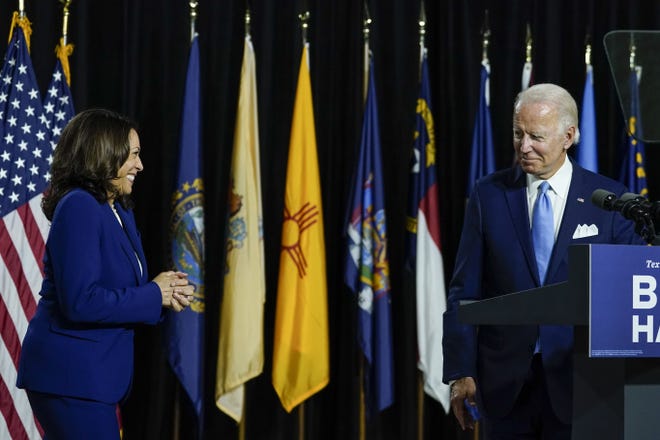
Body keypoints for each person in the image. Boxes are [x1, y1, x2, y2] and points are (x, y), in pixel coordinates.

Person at [442, 83, 646, 439]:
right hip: (504, 386)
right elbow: (464, 289)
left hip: (584, 386)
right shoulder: (488, 195)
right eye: (518, 133)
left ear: (568, 136)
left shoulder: (611, 202)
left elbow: (628, 298)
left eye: (535, 136)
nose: (524, 146)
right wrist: (461, 371)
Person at [16, 108, 194, 439]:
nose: (140, 166)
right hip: (70, 377)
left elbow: (123, 288)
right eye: (134, 155)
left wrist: (164, 294)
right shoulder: (79, 206)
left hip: (93, 377)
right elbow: (81, 301)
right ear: (104, 152)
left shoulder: (116, 209)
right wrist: (154, 294)